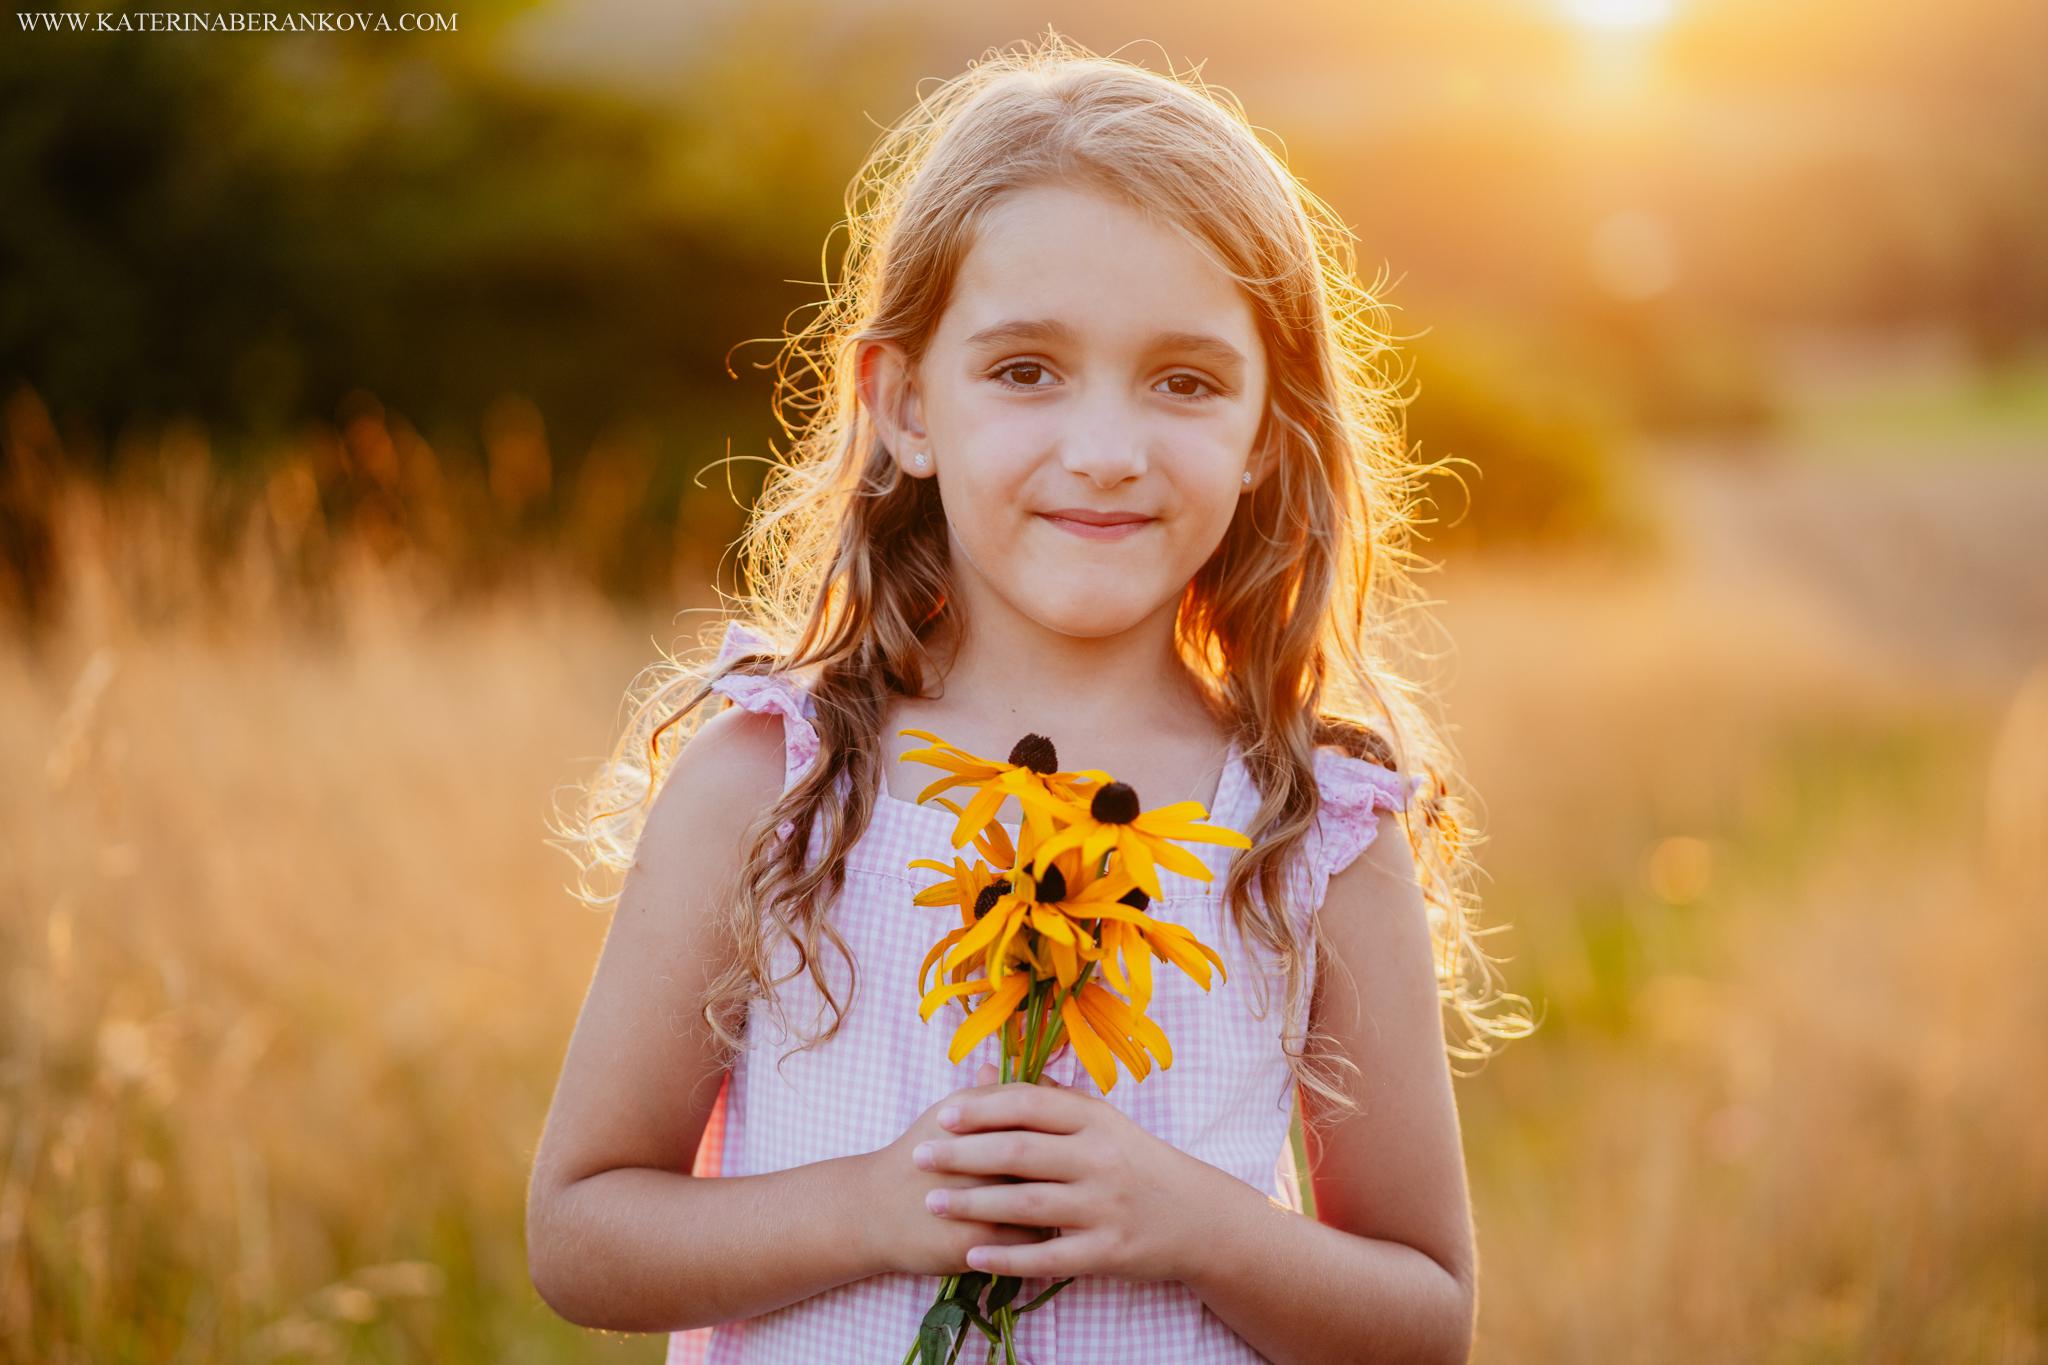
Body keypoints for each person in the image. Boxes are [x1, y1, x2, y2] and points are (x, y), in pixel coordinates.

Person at [528, 31, 1531, 1364]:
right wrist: (878, 1207)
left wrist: (1192, 1221)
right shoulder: (772, 779)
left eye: (1184, 380)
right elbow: (582, 1233)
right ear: (905, 405)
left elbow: (1426, 1319)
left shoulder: (1310, 827)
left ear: (1263, 434)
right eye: (1024, 370)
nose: (1104, 451)